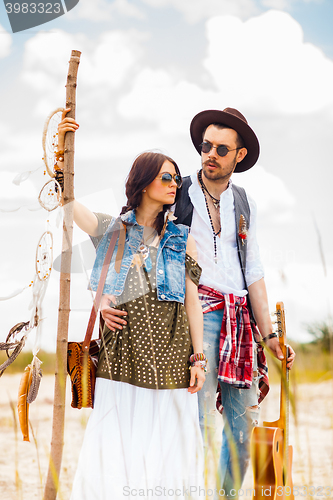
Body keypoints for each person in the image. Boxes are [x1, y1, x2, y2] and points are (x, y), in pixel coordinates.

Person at [102, 107, 296, 496]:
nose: (211, 153)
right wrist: (109, 294)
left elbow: (252, 269)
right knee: (201, 423)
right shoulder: (176, 192)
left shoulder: (244, 203)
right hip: (195, 315)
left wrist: (270, 335)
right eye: (206, 145)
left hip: (240, 319)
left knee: (245, 427)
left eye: (222, 149)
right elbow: (131, 238)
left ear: (239, 156)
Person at [57, 112, 206, 499]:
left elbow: (193, 302)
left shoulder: (182, 239)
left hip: (173, 362)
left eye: (176, 177)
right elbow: (70, 204)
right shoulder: (114, 230)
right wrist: (63, 156)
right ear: (142, 185)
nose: (175, 184)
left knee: (169, 454)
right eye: (166, 177)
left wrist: (199, 361)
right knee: (115, 449)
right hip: (122, 361)